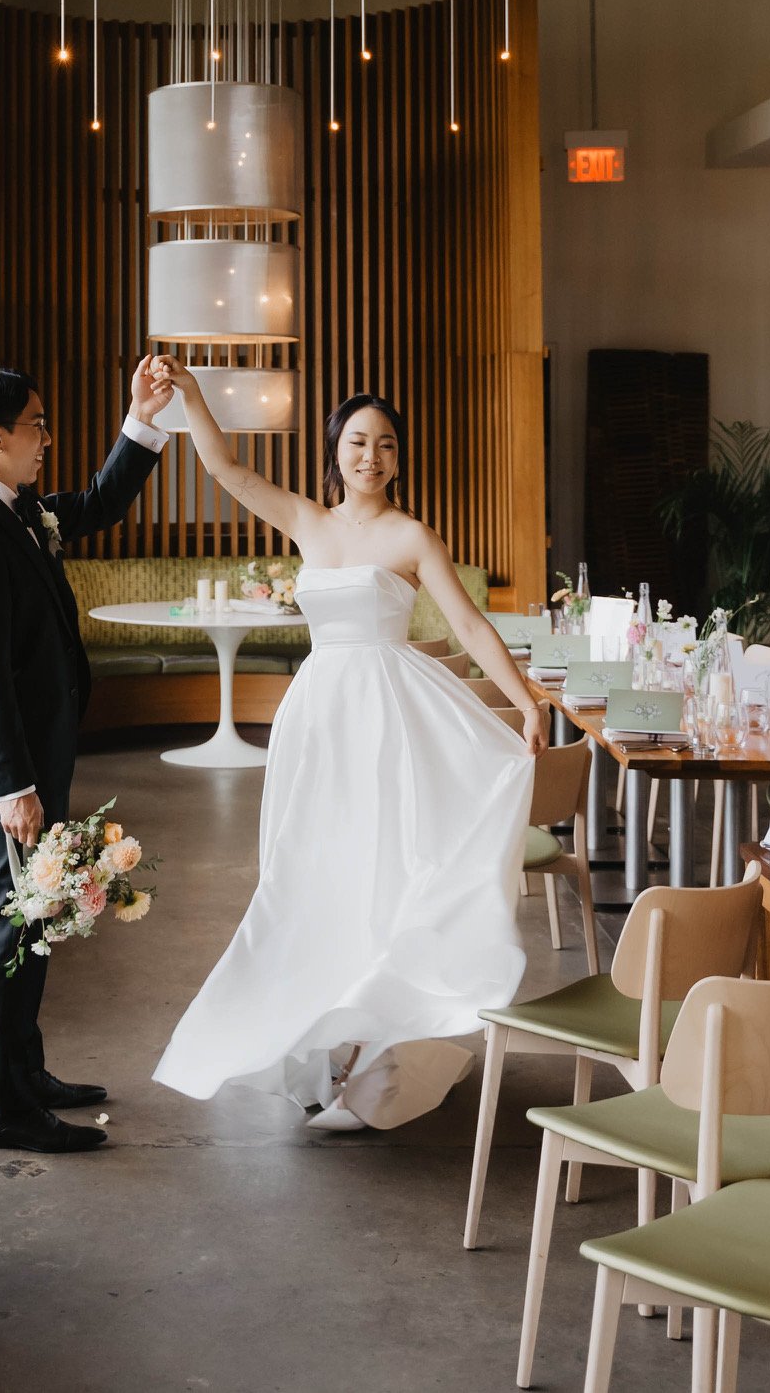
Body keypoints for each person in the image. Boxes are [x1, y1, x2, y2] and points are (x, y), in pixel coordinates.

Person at [153, 363, 547, 1130]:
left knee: (386, 872)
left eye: (386, 445)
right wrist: (193, 398)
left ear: (399, 458)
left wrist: (525, 703)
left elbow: (469, 626)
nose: (371, 456)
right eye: (358, 441)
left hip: (392, 713)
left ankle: (375, 1064)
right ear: (335, 449)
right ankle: (321, 1045)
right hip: (319, 717)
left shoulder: (411, 534)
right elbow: (223, 467)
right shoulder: (308, 520)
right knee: (312, 873)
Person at [0, 359, 172, 1153]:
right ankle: (0, 1108)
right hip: (12, 771)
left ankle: (24, 1072)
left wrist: (141, 416)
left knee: (37, 916)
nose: (46, 439)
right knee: (10, 923)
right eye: (36, 425)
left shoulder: (18, 508)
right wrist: (16, 788)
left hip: (38, 757)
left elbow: (102, 501)